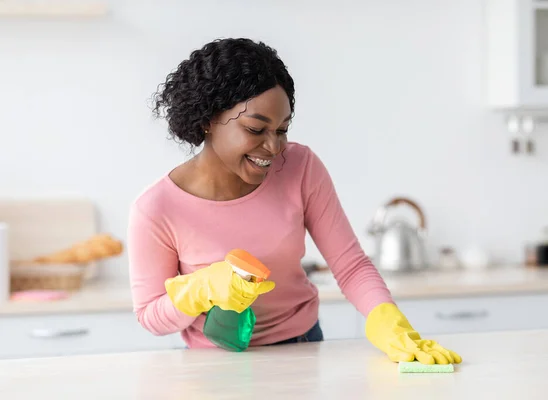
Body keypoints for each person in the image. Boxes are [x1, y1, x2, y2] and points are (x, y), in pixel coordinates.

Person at [127, 37, 461, 365]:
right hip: (213, 366)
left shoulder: (300, 168)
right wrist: (197, 291)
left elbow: (351, 265)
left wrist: (388, 322)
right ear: (207, 121)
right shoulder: (156, 209)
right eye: (256, 130)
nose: (274, 148)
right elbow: (150, 316)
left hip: (303, 349)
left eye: (282, 129)